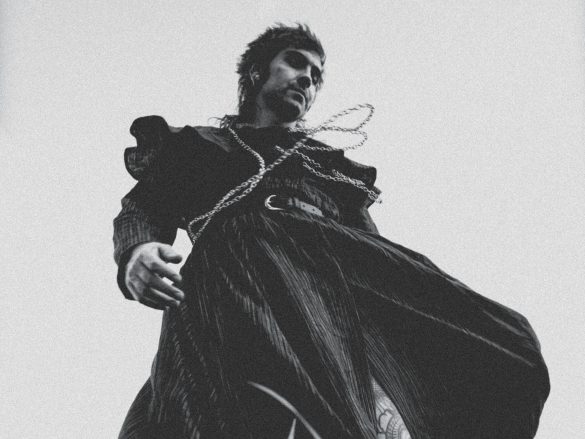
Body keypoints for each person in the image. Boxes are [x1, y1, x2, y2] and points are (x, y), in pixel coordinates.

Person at [113, 24, 549, 439]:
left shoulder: (332, 170)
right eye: (294, 62)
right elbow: (146, 205)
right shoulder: (203, 147)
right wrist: (138, 252)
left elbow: (371, 250)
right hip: (235, 277)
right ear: (257, 71)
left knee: (509, 345)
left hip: (325, 286)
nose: (307, 78)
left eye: (316, 75)